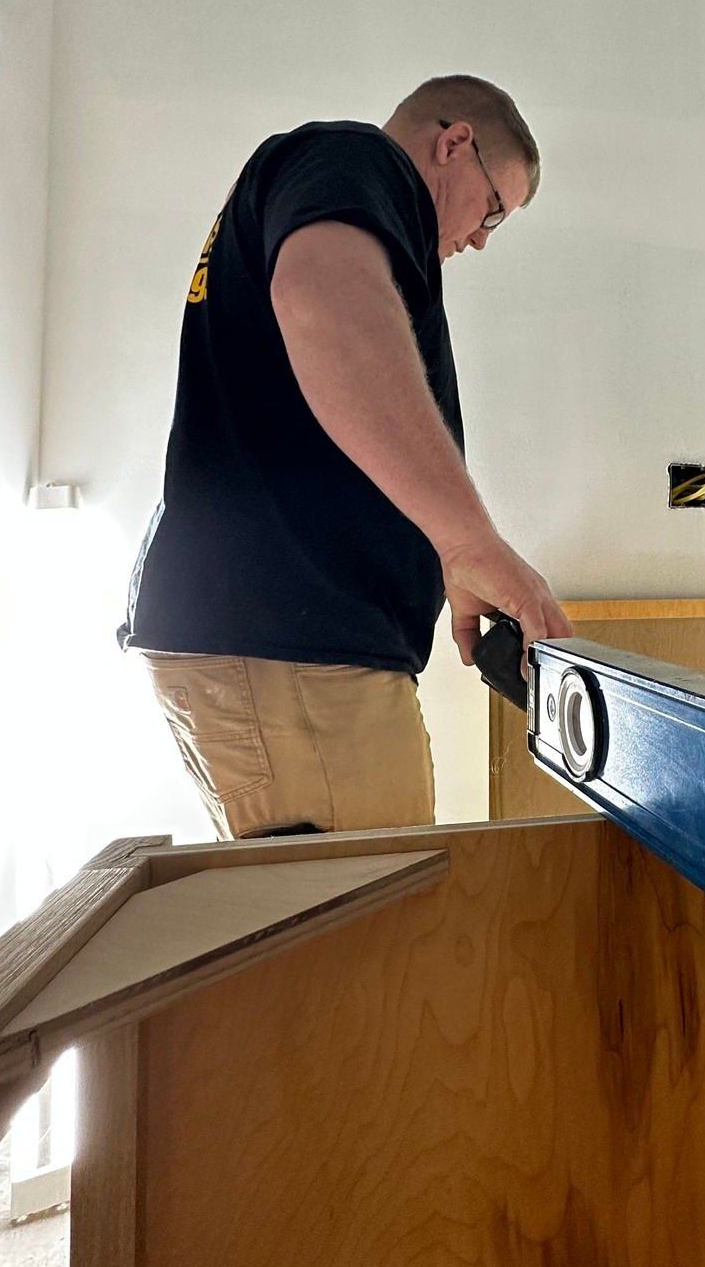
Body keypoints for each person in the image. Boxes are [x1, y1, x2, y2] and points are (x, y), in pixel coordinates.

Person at [118, 74, 573, 839]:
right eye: (493, 208)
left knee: (341, 942)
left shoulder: (330, 187)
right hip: (295, 660)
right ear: (453, 143)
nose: (483, 239)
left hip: (273, 650)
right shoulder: (356, 160)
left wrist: (445, 559)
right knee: (381, 951)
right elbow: (321, 303)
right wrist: (468, 542)